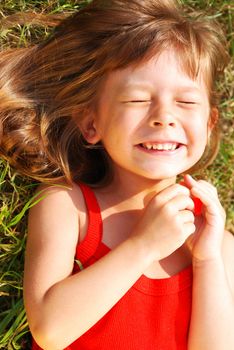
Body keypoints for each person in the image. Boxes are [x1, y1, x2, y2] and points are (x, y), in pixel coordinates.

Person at [0, 0, 233, 349]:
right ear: (91, 124)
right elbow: (50, 330)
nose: (164, 117)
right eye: (138, 100)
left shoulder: (218, 244)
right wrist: (143, 245)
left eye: (185, 103)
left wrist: (207, 259)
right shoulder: (69, 205)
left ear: (209, 122)